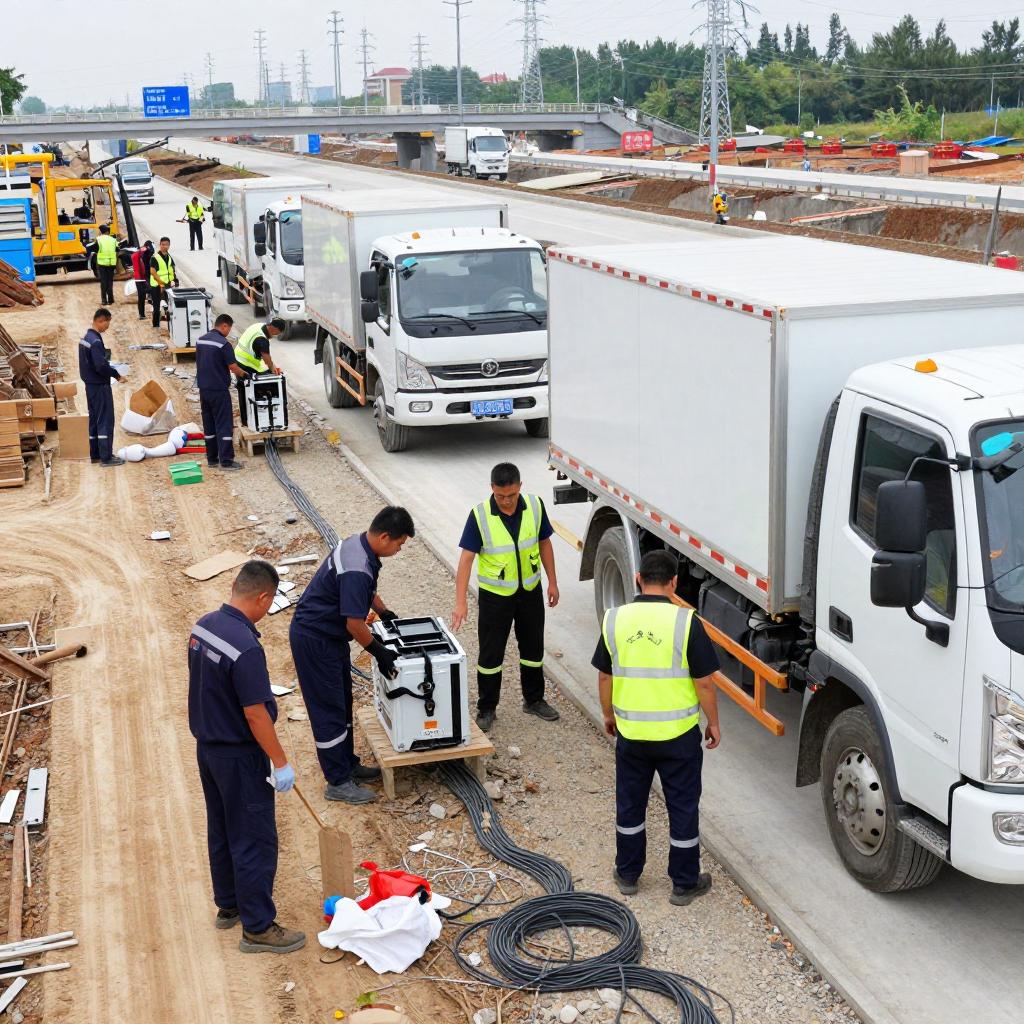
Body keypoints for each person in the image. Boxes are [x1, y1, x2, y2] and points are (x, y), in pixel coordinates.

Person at [189, 560, 306, 955]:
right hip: (239, 757)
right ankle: (257, 927)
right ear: (262, 596)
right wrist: (280, 762)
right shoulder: (245, 647)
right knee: (254, 838)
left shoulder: (202, 626)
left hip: (208, 750)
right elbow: (255, 713)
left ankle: (229, 905)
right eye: (269, 604)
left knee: (221, 827)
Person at [592, 550, 721, 907]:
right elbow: (705, 683)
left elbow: (605, 674)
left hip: (632, 735)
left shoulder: (615, 619)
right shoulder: (686, 622)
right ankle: (684, 883)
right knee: (682, 807)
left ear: (638, 579)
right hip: (679, 738)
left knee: (630, 803)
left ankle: (628, 874)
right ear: (674, 583)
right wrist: (713, 722)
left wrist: (608, 713)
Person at [289, 507, 415, 804]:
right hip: (315, 640)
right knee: (328, 709)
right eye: (399, 544)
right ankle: (337, 781)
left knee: (342, 701)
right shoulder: (358, 565)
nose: (399, 549)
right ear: (385, 537)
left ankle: (348, 765)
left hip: (328, 638)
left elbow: (364, 591)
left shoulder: (357, 545)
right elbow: (354, 623)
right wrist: (379, 652)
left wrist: (384, 612)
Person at [452, 462, 560, 733]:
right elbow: (466, 559)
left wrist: (553, 582)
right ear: (492, 490)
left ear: (520, 487)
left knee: (533, 649)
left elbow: (544, 542)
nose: (506, 501)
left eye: (511, 495)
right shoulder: (479, 515)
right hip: (495, 597)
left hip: (530, 591)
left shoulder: (534, 506)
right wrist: (461, 602)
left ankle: (533, 699)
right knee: (491, 654)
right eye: (500, 496)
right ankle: (487, 707)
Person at [196, 313, 249, 472]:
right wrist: (245, 375)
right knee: (223, 424)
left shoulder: (201, 340)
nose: (229, 332)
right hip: (219, 389)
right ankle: (226, 461)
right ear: (224, 326)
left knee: (209, 423)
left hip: (204, 389)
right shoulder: (223, 344)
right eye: (229, 328)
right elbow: (233, 367)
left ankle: (212, 459)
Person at [78, 307, 125, 467]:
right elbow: (100, 366)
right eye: (107, 323)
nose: (107, 327)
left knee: (94, 419)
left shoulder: (85, 338)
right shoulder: (96, 342)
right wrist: (115, 374)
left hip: (89, 385)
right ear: (100, 321)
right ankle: (106, 457)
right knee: (105, 419)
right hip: (99, 386)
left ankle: (95, 454)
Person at [233, 319, 284, 426]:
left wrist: (273, 367)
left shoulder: (259, 326)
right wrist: (272, 369)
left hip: (239, 357)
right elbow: (266, 358)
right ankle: (254, 419)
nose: (275, 336)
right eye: (276, 333)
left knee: (244, 389)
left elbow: (263, 357)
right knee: (250, 389)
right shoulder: (262, 339)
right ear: (273, 328)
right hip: (244, 363)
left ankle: (247, 419)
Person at [149, 236, 177, 329]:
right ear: (160, 245)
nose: (165, 246)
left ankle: (170, 326)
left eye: (167, 245)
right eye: (163, 244)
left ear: (169, 245)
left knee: (170, 305)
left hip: (167, 284)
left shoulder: (169, 257)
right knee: (156, 306)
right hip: (157, 285)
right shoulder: (155, 257)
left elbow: (172, 269)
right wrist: (161, 283)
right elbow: (153, 272)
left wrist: (173, 280)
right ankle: (156, 325)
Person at [93, 224, 120, 305]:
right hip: (111, 263)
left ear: (101, 232)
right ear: (108, 231)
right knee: (110, 281)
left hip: (102, 264)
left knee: (103, 282)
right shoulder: (113, 240)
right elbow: (117, 249)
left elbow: (95, 249)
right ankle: (111, 299)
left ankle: (104, 300)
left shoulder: (98, 239)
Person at [131, 240, 154, 321]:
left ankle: (142, 314)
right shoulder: (141, 253)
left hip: (141, 277)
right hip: (142, 277)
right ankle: (142, 313)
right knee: (144, 295)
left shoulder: (138, 254)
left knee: (142, 296)